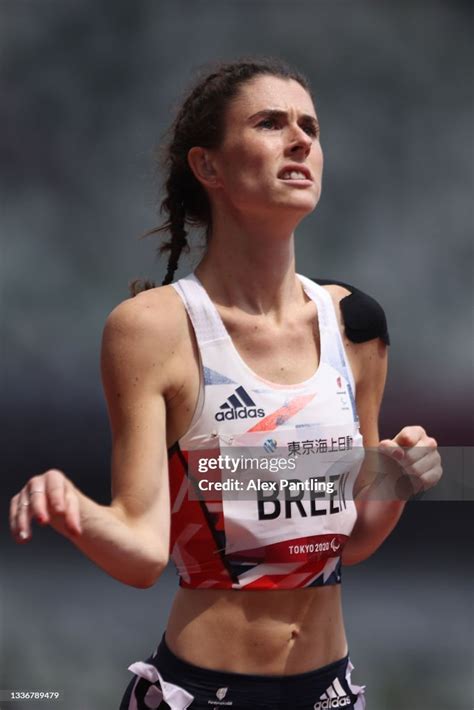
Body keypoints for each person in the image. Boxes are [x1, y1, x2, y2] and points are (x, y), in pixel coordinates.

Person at [9, 59, 442, 710]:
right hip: (201, 692)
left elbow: (346, 542)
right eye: (271, 123)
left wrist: (398, 483)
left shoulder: (357, 324)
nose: (301, 141)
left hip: (330, 690)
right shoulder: (152, 330)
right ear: (207, 166)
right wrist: (72, 508)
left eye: (311, 127)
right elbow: (143, 554)